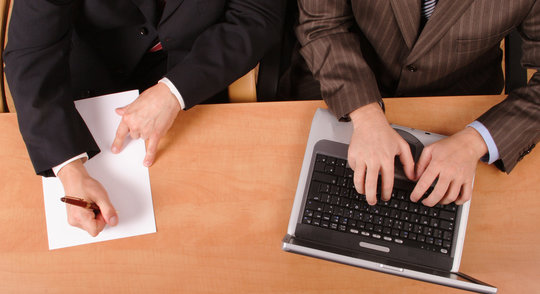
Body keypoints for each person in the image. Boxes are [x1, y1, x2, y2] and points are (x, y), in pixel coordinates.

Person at [4, 0, 284, 236]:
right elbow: (31, 51)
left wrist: (174, 92)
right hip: (90, 81)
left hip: (195, 73)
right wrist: (68, 168)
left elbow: (257, 16)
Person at [295, 0, 540, 207]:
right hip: (346, 81)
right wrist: (365, 115)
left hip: (460, 105)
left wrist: (476, 141)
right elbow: (322, 24)